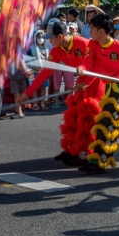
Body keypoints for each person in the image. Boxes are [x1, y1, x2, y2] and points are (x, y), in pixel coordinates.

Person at [74, 14, 119, 174]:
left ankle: (98, 161)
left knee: (106, 121)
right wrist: (83, 72)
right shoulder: (93, 45)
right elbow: (88, 63)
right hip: (109, 88)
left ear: (101, 31)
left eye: (92, 28)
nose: (89, 31)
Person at [18, 22, 96, 165]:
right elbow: (44, 73)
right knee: (74, 117)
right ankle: (73, 149)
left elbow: (97, 65)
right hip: (79, 84)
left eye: (51, 38)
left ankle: (87, 154)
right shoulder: (56, 51)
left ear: (60, 36)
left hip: (96, 82)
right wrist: (28, 93)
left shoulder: (84, 43)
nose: (49, 41)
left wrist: (87, 82)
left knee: (88, 119)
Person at [28, 30, 50, 111]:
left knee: (43, 88)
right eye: (39, 37)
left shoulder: (47, 48)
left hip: (44, 72)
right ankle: (34, 104)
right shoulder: (32, 48)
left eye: (42, 37)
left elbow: (50, 60)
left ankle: (42, 103)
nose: (40, 39)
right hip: (35, 71)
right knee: (35, 87)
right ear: (35, 38)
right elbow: (28, 60)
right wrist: (34, 68)